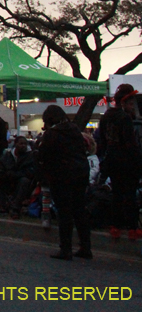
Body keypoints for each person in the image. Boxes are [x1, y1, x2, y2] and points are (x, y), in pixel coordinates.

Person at [37, 105, 92, 260]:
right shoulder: (74, 130)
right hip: (81, 173)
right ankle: (85, 246)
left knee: (65, 212)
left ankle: (66, 248)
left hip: (62, 176)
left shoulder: (51, 134)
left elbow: (43, 156)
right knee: (79, 210)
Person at [97, 83, 142, 240]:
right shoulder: (125, 119)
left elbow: (101, 141)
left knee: (116, 194)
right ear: (123, 103)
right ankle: (132, 228)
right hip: (127, 162)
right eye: (130, 103)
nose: (132, 106)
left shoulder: (106, 117)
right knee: (130, 195)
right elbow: (131, 145)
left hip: (112, 161)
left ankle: (115, 226)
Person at [0, 136, 35, 219]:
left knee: (24, 181)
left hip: (20, 181)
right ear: (15, 144)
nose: (23, 146)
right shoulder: (7, 155)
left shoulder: (30, 156)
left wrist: (15, 175)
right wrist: (1, 174)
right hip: (7, 180)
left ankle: (16, 208)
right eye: (21, 143)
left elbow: (30, 172)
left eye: (25, 144)